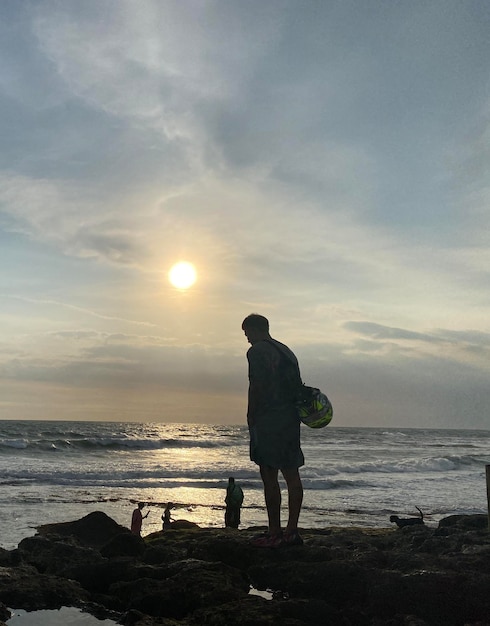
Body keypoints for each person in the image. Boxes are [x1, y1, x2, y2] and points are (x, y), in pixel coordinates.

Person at [242, 313, 304, 548]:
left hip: (268, 418)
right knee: (291, 474)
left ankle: (275, 532)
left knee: (269, 475)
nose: (247, 338)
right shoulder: (287, 351)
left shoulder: (257, 351)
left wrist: (251, 415)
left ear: (255, 329)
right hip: (290, 419)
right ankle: (292, 531)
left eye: (247, 333)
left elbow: (256, 385)